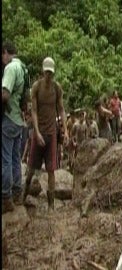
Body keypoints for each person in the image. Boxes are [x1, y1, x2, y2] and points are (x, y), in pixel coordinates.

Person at [23, 57, 69, 211]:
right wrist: (36, 132)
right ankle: (23, 195)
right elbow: (34, 111)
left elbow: (61, 109)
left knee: (51, 170)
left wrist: (65, 130)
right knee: (31, 167)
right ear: (43, 71)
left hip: (51, 133)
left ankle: (51, 205)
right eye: (47, 72)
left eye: (51, 73)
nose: (49, 75)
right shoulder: (36, 87)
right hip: (39, 132)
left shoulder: (57, 88)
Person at [2, 41, 26, 212]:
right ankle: (18, 192)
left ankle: (6, 197)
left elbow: (5, 95)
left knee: (6, 159)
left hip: (9, 118)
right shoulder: (24, 68)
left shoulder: (10, 68)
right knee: (16, 158)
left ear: (5, 52)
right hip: (19, 119)